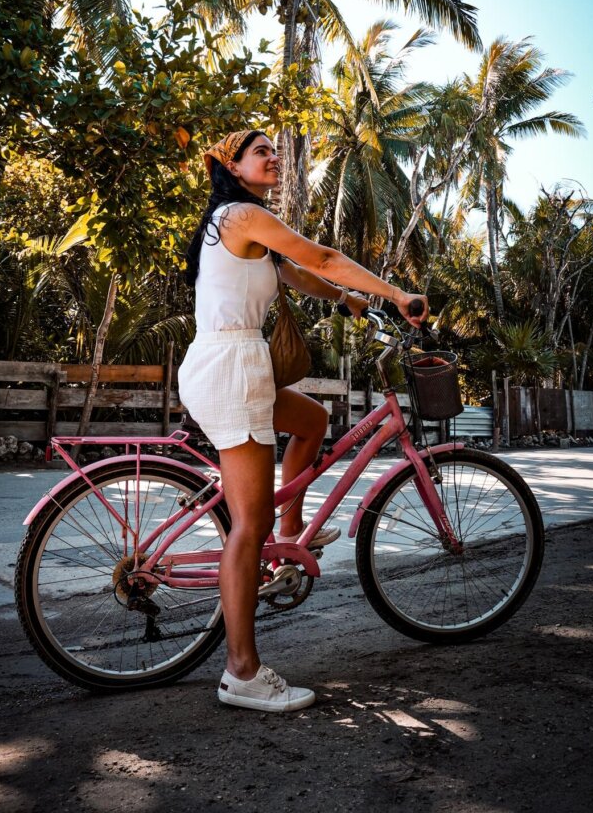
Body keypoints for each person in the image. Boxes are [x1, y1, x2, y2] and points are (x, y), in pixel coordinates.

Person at [178, 129, 428, 712]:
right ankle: (241, 672)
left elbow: (302, 275)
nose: (274, 158)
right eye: (261, 151)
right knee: (248, 524)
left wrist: (345, 301)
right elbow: (321, 256)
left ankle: (289, 537)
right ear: (231, 165)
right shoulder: (238, 215)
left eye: (276, 151)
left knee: (312, 421)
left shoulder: (248, 229)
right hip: (231, 365)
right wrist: (394, 294)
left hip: (242, 364)